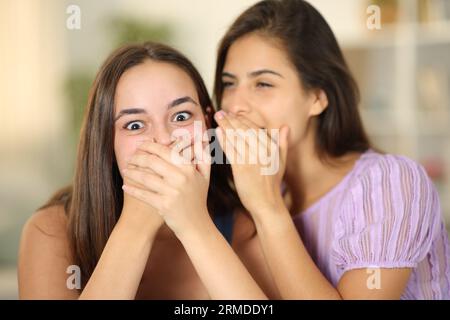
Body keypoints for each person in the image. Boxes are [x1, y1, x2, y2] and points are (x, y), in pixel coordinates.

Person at [212, 0, 450, 299]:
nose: (236, 105)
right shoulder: (250, 199)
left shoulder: (390, 182)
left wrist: (267, 208)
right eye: (229, 83)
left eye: (263, 83)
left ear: (318, 97)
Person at [18, 42, 277, 299]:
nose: (164, 140)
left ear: (207, 123)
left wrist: (194, 224)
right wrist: (136, 226)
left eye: (181, 116)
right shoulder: (52, 232)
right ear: (107, 143)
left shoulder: (245, 230)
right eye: (134, 125)